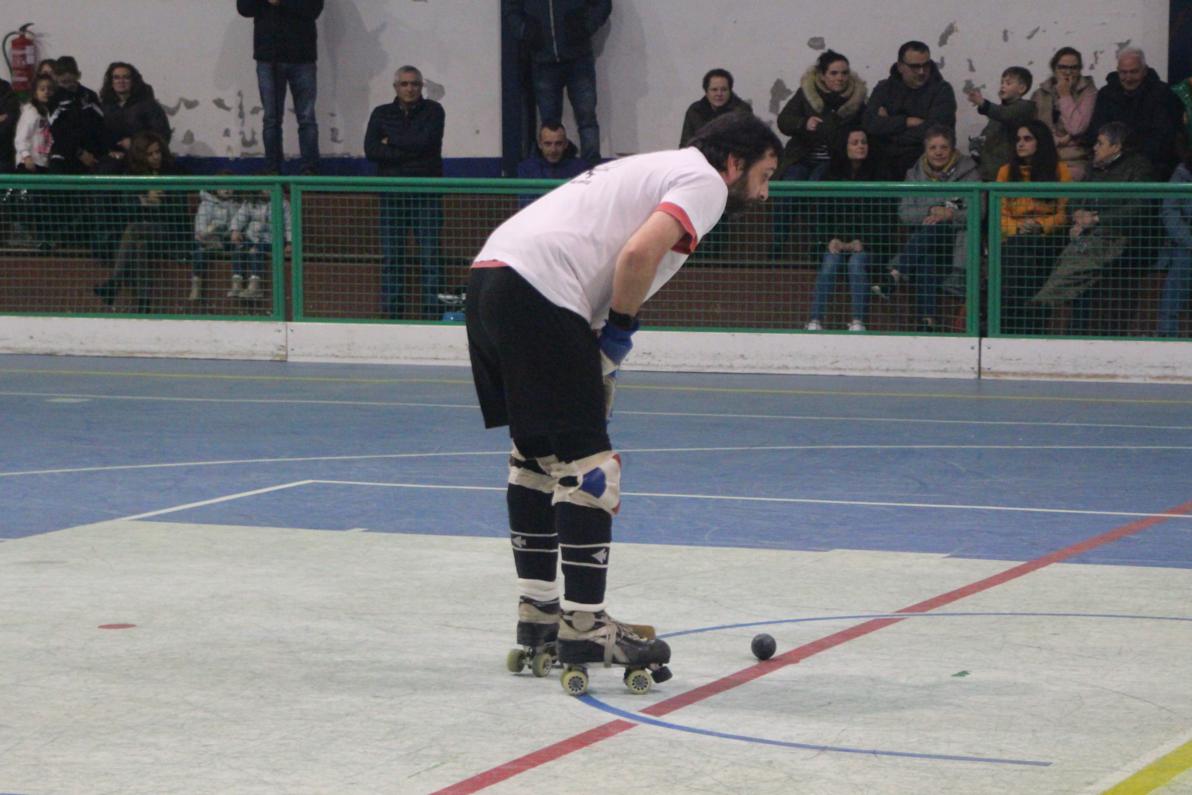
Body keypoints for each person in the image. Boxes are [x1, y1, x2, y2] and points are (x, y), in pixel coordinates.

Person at [465, 113, 779, 692]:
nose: (763, 193)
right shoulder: (705, 180)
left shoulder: (655, 166)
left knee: (535, 459)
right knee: (591, 470)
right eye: (765, 175)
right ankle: (585, 626)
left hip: (490, 279)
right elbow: (637, 256)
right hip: (539, 291)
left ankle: (538, 615)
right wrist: (615, 342)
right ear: (735, 163)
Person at [1033, 122, 1154, 334]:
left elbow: (1139, 207)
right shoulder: (1093, 167)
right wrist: (1078, 216)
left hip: (1121, 235)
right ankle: (1060, 318)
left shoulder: (1139, 167)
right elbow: (1075, 200)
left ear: (1116, 147)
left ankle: (1044, 302)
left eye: (1100, 143)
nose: (1095, 148)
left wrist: (1097, 219)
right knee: (1056, 250)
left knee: (1081, 256)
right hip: (1088, 231)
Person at [364, 65, 446, 319]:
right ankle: (393, 318)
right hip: (392, 195)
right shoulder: (381, 113)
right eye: (405, 84)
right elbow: (371, 150)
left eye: (415, 84)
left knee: (430, 258)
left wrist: (391, 141)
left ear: (421, 87)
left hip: (426, 195)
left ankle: (432, 316)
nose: (410, 88)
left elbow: (427, 144)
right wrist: (413, 148)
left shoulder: (434, 110)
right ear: (396, 87)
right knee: (392, 259)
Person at [889, 125, 980, 332]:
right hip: (924, 245)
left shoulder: (969, 172)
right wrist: (933, 210)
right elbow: (905, 213)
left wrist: (949, 214)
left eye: (944, 147)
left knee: (935, 228)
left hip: (954, 244)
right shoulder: (913, 174)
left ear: (952, 149)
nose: (938, 152)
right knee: (927, 255)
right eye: (933, 148)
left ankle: (897, 271)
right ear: (925, 150)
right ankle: (927, 321)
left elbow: (978, 211)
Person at [506, 0, 612, 164]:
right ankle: (552, 173)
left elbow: (603, 4)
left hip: (579, 59)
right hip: (543, 61)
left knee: (587, 118)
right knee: (550, 124)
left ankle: (592, 171)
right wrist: (525, 31)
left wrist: (585, 27)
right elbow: (511, 10)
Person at [92, 132, 187, 313]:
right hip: (139, 234)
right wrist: (144, 200)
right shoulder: (133, 175)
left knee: (134, 229)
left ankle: (114, 283)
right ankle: (144, 303)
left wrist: (162, 202)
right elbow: (124, 207)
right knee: (139, 244)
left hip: (167, 232)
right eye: (150, 154)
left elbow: (179, 212)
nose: (156, 157)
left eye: (158, 152)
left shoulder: (171, 172)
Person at [805, 128, 890, 332]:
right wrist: (831, 239)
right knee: (830, 261)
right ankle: (815, 321)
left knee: (856, 262)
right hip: (836, 242)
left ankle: (858, 321)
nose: (861, 146)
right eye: (855, 143)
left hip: (869, 245)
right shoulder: (830, 174)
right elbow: (820, 213)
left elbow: (884, 216)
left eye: (864, 142)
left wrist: (863, 242)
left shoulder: (879, 173)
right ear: (844, 147)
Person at [997, 120, 1072, 335]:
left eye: (1027, 139)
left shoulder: (1060, 171)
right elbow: (1000, 214)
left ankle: (1018, 327)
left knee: (1025, 253)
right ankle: (1020, 327)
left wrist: (1040, 225)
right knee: (1018, 249)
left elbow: (1064, 213)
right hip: (1015, 238)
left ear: (1041, 142)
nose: (1020, 144)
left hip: (1047, 239)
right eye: (1018, 140)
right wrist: (1019, 227)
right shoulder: (1005, 172)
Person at [237, 0, 323, 175]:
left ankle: (309, 172)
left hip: (302, 56)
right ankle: (273, 173)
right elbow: (244, 8)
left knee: (306, 118)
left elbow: (314, 9)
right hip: (268, 57)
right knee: (271, 119)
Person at [863, 41, 956, 179]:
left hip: (926, 171)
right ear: (900, 66)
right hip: (883, 169)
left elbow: (935, 133)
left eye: (926, 65)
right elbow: (869, 124)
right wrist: (906, 121)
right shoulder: (884, 89)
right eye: (915, 66)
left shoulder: (942, 91)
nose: (922, 71)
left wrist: (888, 126)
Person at [1088, 47, 1183, 180]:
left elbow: (1164, 137)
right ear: (1117, 70)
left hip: (1153, 164)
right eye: (1123, 72)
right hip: (1109, 162)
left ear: (1144, 71)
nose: (1128, 78)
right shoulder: (1106, 94)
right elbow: (1097, 130)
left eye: (1134, 72)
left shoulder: (1163, 94)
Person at [778, 50, 868, 181]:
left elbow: (866, 128)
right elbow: (783, 121)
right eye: (833, 73)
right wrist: (804, 123)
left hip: (835, 161)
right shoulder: (805, 94)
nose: (840, 78)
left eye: (844, 73)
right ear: (822, 75)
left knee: (818, 184)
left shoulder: (856, 99)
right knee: (790, 184)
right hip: (801, 157)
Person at [1031, 47, 1097, 182]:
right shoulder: (1040, 94)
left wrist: (1065, 95)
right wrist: (1056, 140)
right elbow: (1035, 129)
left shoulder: (1089, 92)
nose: (1068, 72)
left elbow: (1076, 128)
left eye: (1074, 68)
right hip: (1044, 158)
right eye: (1063, 67)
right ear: (1054, 68)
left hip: (1075, 160)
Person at [966, 66, 1035, 181]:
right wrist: (977, 145)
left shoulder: (1025, 107)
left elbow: (1005, 114)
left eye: (1008, 83)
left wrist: (983, 103)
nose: (1002, 86)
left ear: (1022, 88)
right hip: (988, 169)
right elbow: (989, 132)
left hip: (1008, 169)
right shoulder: (998, 112)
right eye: (1002, 82)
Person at [97, 62, 171, 170]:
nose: (121, 81)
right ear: (110, 81)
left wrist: (135, 144)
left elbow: (162, 135)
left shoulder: (149, 105)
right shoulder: (104, 106)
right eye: (116, 77)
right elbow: (98, 134)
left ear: (133, 81)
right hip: (112, 159)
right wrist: (108, 152)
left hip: (144, 159)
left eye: (126, 77)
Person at [228, 185, 291, 300]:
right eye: (265, 187)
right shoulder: (250, 202)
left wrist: (290, 243)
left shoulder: (284, 204)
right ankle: (237, 283)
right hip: (252, 237)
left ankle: (255, 287)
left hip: (272, 239)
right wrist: (235, 230)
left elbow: (289, 224)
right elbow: (240, 217)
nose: (267, 190)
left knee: (255, 251)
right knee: (239, 248)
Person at [189, 174, 244, 301]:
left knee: (240, 247)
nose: (227, 189)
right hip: (208, 240)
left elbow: (239, 227)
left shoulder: (237, 204)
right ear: (215, 188)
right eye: (222, 185)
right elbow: (200, 231)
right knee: (199, 250)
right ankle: (196, 285)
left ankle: (237, 283)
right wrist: (212, 229)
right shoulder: (206, 204)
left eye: (230, 186)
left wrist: (230, 232)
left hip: (227, 240)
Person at [47, 56, 104, 174]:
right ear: (55, 77)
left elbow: (100, 123)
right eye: (64, 82)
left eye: (71, 82)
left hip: (91, 152)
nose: (68, 86)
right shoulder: (53, 99)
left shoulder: (89, 95)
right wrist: (79, 152)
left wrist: (99, 150)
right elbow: (56, 131)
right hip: (64, 154)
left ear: (78, 75)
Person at [1159, 152, 1192, 337]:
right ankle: (1167, 334)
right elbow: (1170, 212)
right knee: (1183, 259)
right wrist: (1189, 240)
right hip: (1187, 242)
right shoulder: (1182, 172)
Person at [679, 68, 750, 148]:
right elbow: (685, 144)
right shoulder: (695, 111)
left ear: (730, 91)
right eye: (714, 90)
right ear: (706, 92)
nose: (719, 94)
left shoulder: (741, 111)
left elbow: (747, 144)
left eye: (724, 90)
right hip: (700, 154)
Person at [517, 122, 590, 179]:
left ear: (566, 144)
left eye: (558, 144)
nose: (553, 150)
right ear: (539, 144)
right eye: (548, 144)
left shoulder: (581, 169)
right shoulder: (526, 169)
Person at [14, 75, 54, 173]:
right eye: (42, 89)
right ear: (35, 93)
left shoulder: (47, 112)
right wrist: (26, 156)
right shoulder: (31, 111)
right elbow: (21, 137)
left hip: (42, 162)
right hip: (28, 162)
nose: (46, 92)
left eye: (49, 89)